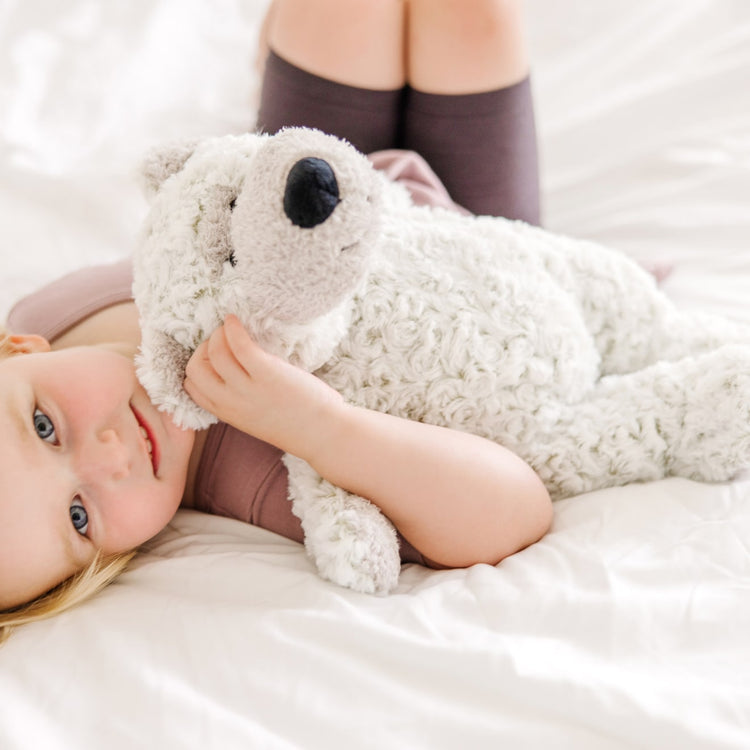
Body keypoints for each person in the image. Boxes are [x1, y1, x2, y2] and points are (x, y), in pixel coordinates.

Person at [0, 0, 551, 640]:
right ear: (97, 566)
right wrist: (323, 427)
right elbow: (519, 509)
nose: (111, 459)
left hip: (316, 182)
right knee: (473, 21)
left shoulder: (55, 311)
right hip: (472, 257)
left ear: (20, 349)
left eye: (44, 427)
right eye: (78, 516)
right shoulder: (259, 472)